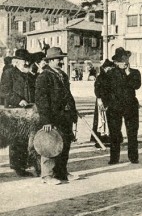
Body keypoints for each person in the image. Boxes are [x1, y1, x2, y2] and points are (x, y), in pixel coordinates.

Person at [35, 47, 80, 184]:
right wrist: (46, 120)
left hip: (65, 116)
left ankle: (61, 173)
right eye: (58, 59)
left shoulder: (62, 75)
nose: (60, 61)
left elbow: (68, 95)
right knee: (50, 145)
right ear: (50, 61)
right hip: (53, 117)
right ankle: (47, 175)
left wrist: (73, 111)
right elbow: (41, 100)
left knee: (64, 145)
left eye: (61, 59)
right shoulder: (44, 77)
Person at [0, 49, 35, 177]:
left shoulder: (30, 75)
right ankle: (17, 166)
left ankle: (22, 165)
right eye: (24, 61)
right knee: (15, 139)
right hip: (13, 112)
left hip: (28, 112)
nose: (26, 63)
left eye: (27, 61)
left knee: (25, 139)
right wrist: (18, 100)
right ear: (16, 62)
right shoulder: (9, 73)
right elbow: (4, 91)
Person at [104, 47, 142, 165]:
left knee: (132, 133)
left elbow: (136, 86)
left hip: (131, 107)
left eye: (126, 60)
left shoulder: (135, 73)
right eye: (121, 61)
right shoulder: (110, 73)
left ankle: (133, 157)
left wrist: (128, 74)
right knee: (114, 134)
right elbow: (105, 90)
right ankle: (114, 158)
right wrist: (106, 104)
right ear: (116, 62)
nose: (124, 63)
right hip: (114, 108)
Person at [91, 59, 116, 146]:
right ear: (105, 68)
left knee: (109, 120)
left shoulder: (112, 77)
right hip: (101, 101)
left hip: (109, 101)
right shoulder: (100, 77)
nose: (110, 70)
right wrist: (99, 99)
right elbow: (97, 89)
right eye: (109, 68)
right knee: (101, 121)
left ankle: (109, 139)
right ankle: (99, 140)